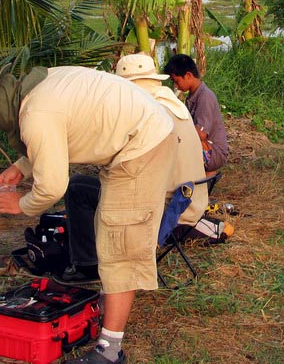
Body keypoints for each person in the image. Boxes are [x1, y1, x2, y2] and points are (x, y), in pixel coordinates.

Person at [0, 65, 177, 364]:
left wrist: (21, 205)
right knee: (108, 232)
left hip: (142, 145)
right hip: (140, 135)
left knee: (119, 245)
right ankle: (107, 308)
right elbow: (57, 133)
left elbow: (51, 188)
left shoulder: (36, 114)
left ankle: (110, 351)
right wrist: (21, 167)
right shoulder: (41, 86)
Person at [61, 53, 210, 284]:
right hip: (192, 200)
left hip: (165, 207)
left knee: (77, 188)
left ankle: (87, 265)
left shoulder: (141, 110)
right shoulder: (172, 102)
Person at [162, 54, 228, 174]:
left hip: (214, 152)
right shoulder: (194, 95)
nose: (176, 86)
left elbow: (201, 134)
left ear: (188, 75)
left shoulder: (204, 97)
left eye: (176, 81)